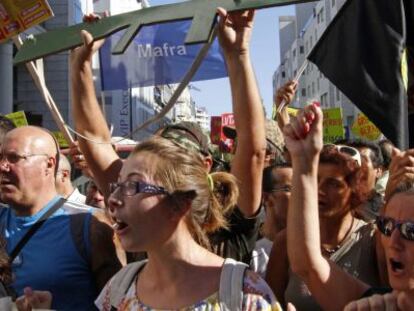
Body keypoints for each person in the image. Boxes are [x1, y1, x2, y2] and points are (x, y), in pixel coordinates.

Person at [70, 6, 267, 264]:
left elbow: (253, 152)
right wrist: (81, 65)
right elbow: (93, 141)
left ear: (205, 164)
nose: (119, 196)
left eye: (174, 155)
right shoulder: (135, 199)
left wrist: (238, 53)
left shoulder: (230, 218)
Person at [95, 134, 280, 310]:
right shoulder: (118, 290)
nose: (112, 198)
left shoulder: (245, 294)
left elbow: (253, 148)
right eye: (117, 185)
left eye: (132, 185)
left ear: (180, 204)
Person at [0, 126, 123, 310]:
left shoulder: (90, 227)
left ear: (49, 164)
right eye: (0, 158)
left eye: (14, 158)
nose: (2, 166)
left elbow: (119, 305)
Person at [250, 158, 292, 278]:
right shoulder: (249, 252)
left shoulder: (313, 248)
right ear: (267, 198)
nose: (300, 195)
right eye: (289, 189)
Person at [346, 139, 384, 223]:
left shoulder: (388, 208)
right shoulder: (335, 204)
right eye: (350, 159)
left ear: (378, 171)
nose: (355, 164)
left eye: (361, 159)